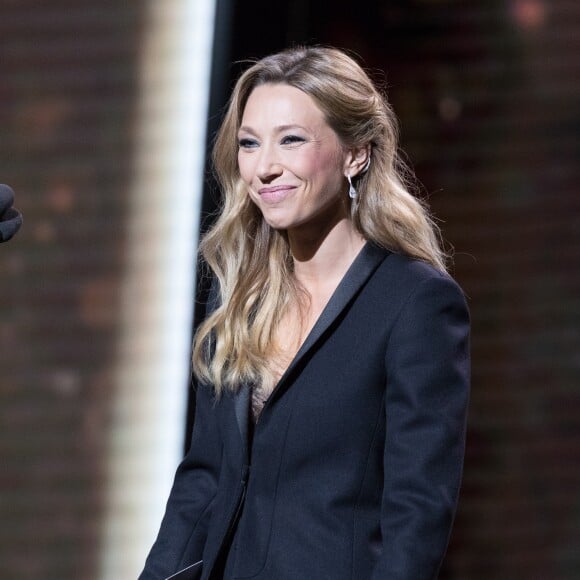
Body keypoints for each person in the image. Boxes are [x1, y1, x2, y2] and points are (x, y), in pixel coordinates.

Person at [139, 46, 470, 580]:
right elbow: (203, 480)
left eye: (291, 139)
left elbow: (417, 512)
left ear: (355, 154)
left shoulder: (415, 303)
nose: (265, 168)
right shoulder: (236, 296)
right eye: (249, 143)